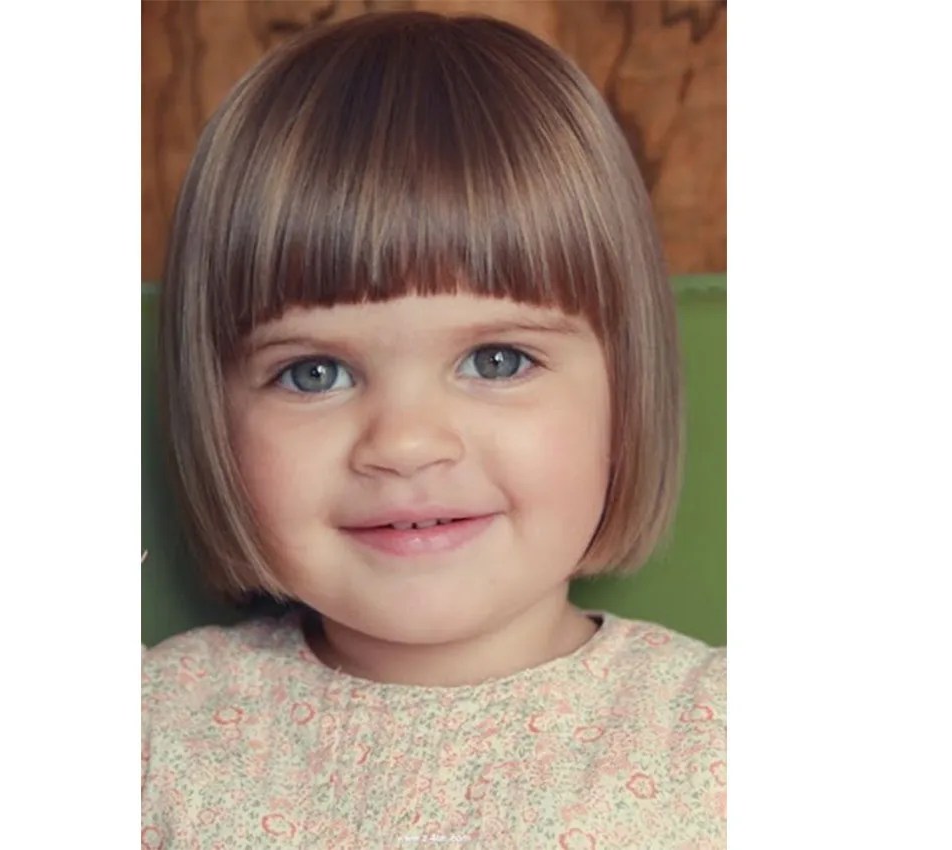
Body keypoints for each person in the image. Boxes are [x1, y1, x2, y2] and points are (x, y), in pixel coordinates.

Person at [142, 11, 725, 848]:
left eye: (497, 360)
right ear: (214, 419)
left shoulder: (718, 740)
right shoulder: (154, 736)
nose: (406, 443)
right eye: (314, 373)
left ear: (626, 394)